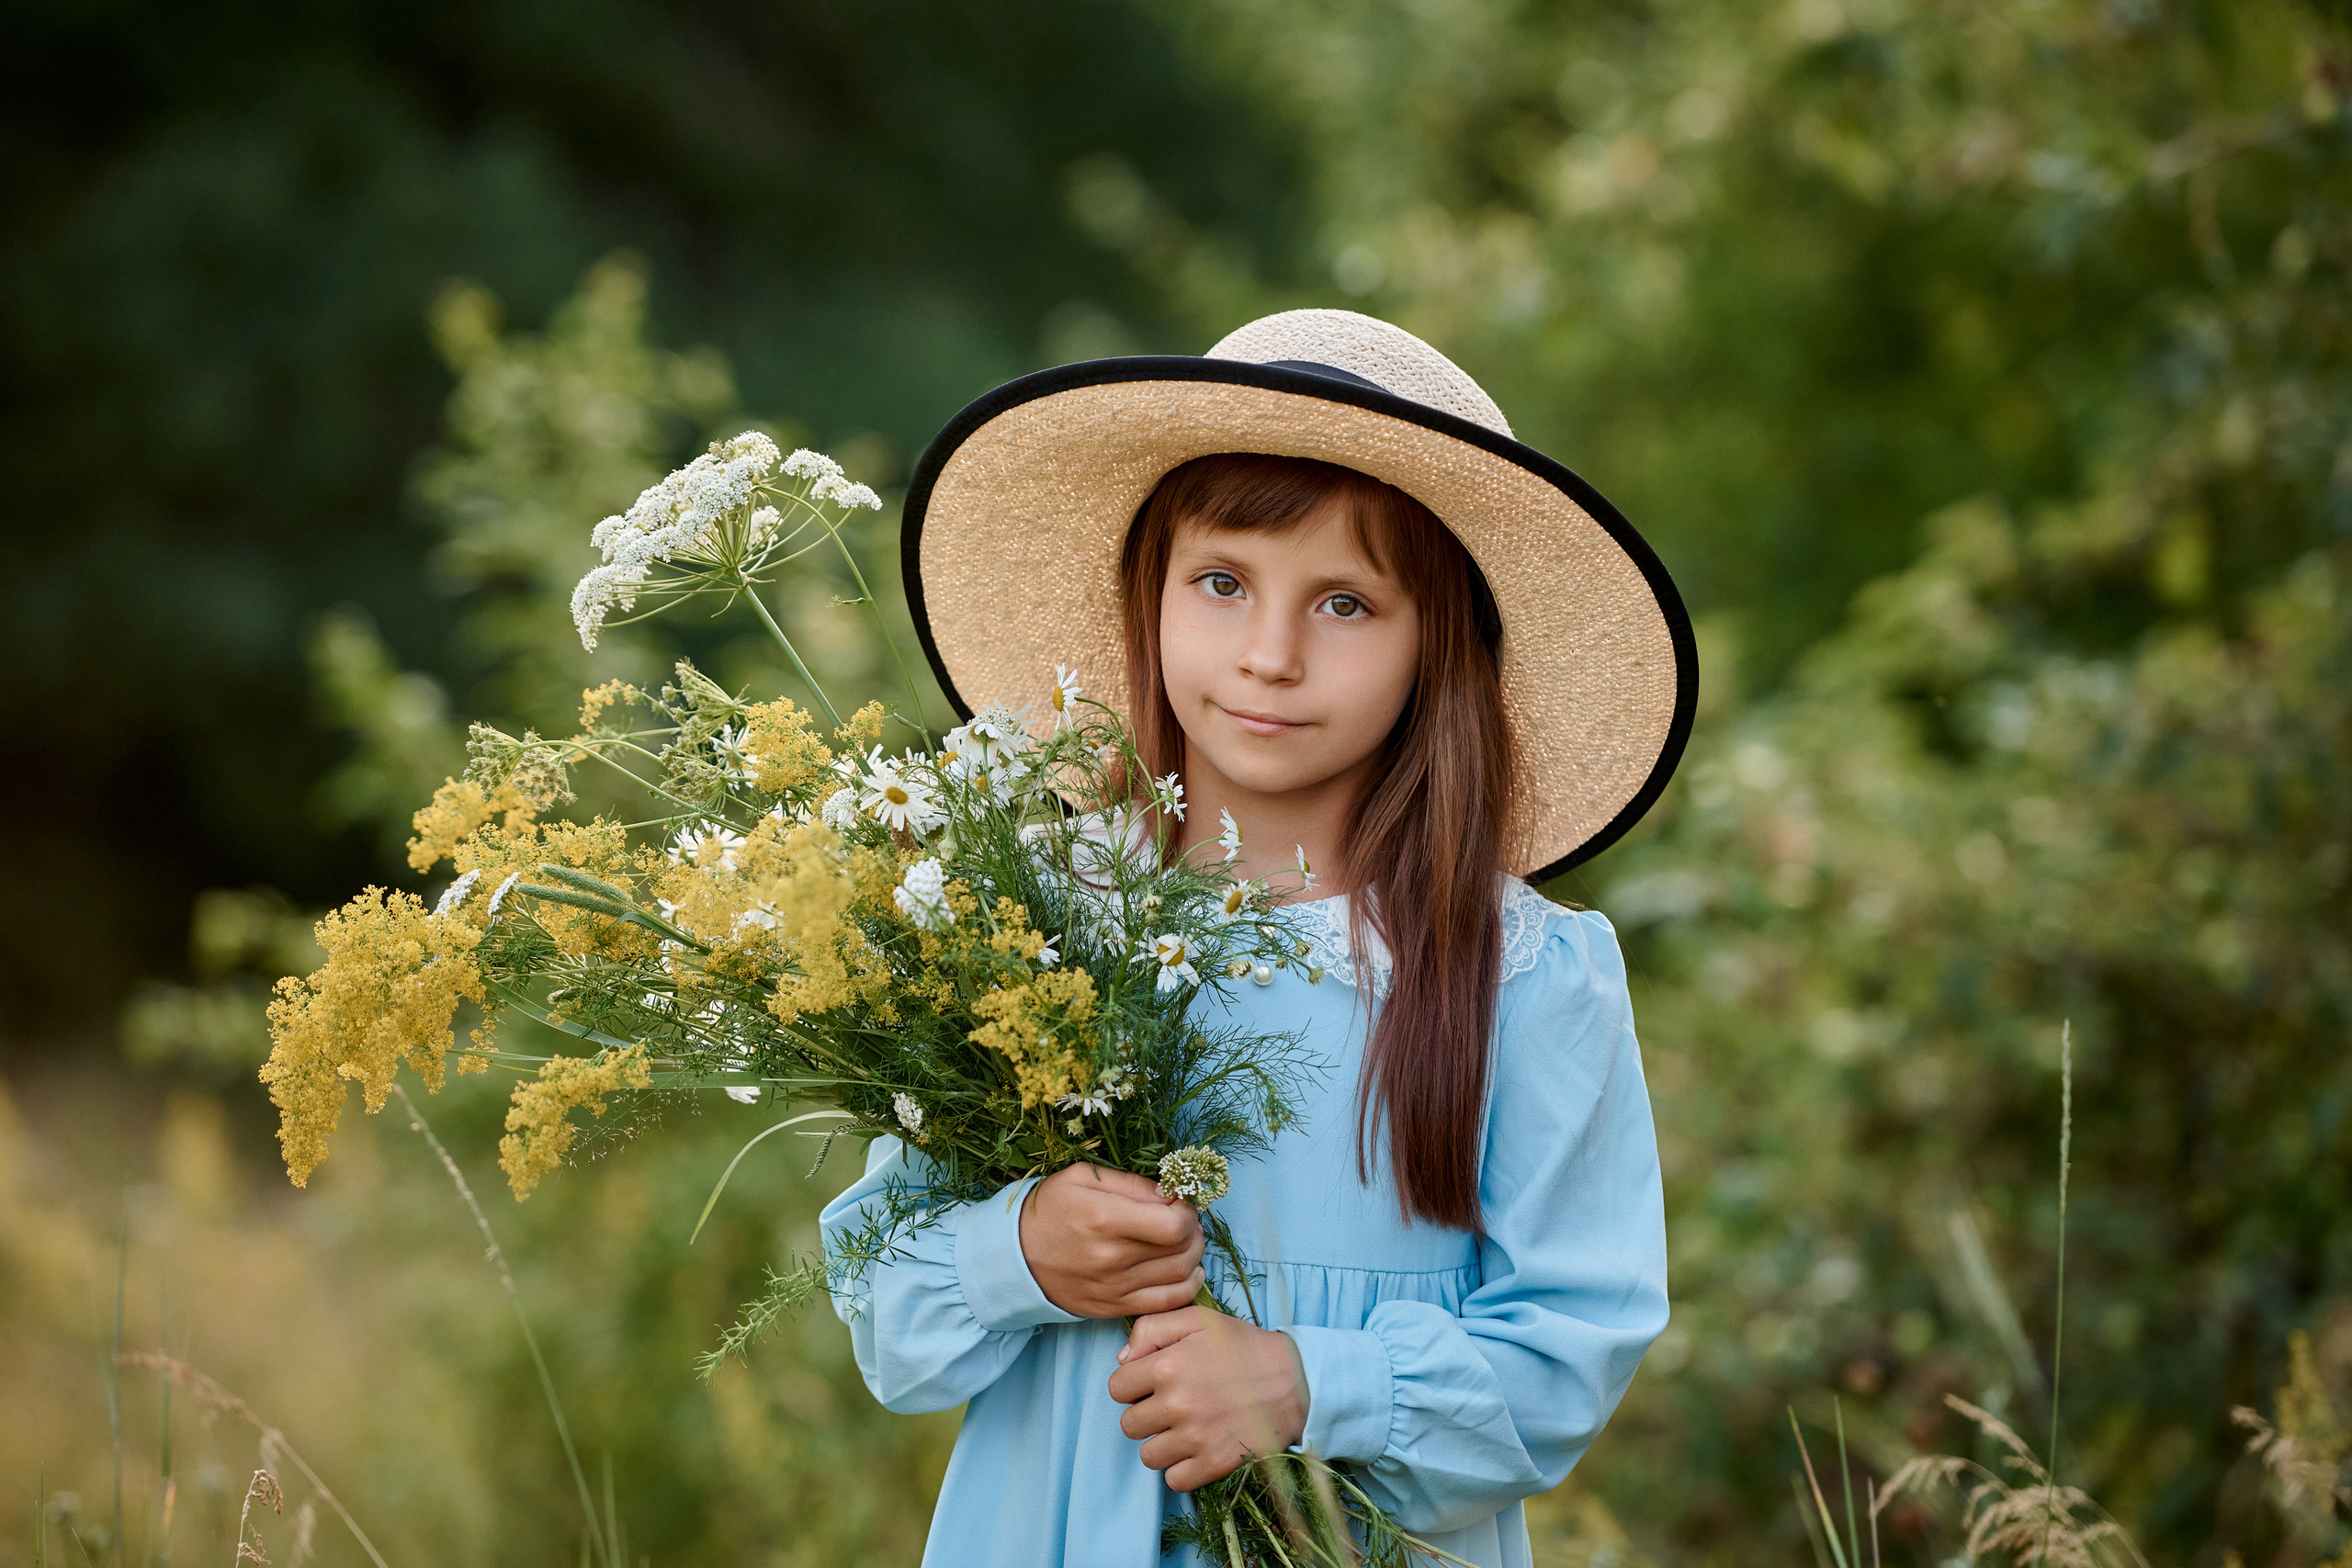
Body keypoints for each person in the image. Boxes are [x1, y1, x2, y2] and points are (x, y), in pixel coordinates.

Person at [821, 309, 1697, 1567]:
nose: (1271, 656)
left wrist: (1308, 1385)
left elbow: (1571, 1353)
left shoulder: (1519, 974)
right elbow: (882, 1307)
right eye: (1222, 584)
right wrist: (1022, 1252)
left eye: (1345, 602)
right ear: (1151, 595)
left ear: (1438, 646)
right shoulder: (1025, 919)